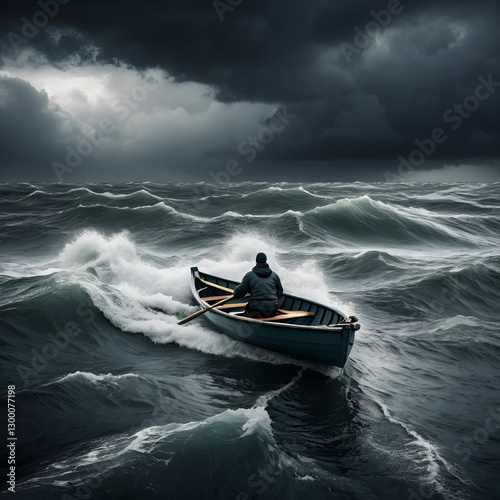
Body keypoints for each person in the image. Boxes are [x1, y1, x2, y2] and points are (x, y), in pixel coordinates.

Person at [233, 252, 284, 318]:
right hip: (272, 308)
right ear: (265, 261)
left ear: (256, 262)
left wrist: (235, 291)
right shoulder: (274, 275)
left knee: (246, 308)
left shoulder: (249, 275)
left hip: (255, 309)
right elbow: (280, 291)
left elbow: (239, 293)